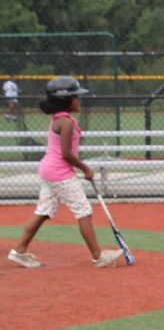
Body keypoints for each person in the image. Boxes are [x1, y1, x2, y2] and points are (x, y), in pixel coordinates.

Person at [7, 76, 124, 269]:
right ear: (65, 100)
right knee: (83, 210)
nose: (79, 101)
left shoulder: (59, 119)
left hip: (49, 170)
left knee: (43, 211)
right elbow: (66, 154)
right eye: (75, 97)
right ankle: (98, 257)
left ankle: (19, 251)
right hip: (59, 173)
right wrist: (85, 168)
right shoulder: (66, 122)